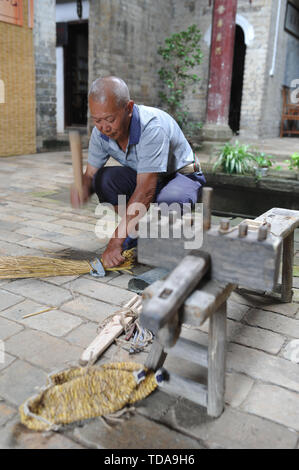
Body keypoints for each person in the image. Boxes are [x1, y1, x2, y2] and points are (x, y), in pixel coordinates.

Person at [71, 76, 206, 268]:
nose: (104, 127)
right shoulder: (100, 133)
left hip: (182, 175)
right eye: (97, 120)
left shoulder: (151, 126)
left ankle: (159, 238)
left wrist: (115, 241)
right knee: (103, 180)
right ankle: (135, 232)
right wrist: (82, 187)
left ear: (128, 108)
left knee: (168, 203)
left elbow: (145, 190)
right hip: (148, 177)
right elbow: (91, 174)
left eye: (110, 119)